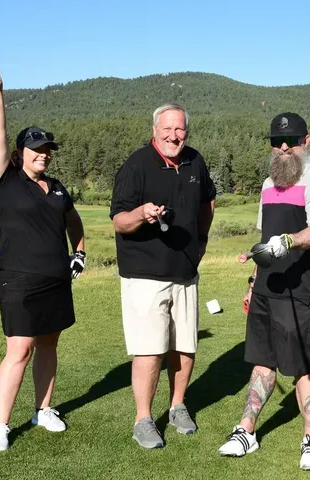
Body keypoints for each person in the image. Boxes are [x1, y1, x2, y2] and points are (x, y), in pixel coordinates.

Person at [218, 112, 310, 471]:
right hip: (267, 288)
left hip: (301, 288)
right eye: (276, 142)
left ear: (306, 141)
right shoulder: (269, 184)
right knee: (262, 362)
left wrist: (290, 241)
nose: (284, 148)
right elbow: (262, 241)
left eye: (292, 141)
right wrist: (253, 283)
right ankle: (246, 431)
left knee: (301, 368)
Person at [0, 58, 86, 451]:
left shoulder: (57, 186)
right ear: (21, 152)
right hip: (17, 278)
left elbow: (74, 222)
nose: (44, 154)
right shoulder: (5, 179)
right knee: (19, 348)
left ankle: (43, 409)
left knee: (48, 345)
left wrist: (79, 253)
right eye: (38, 148)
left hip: (55, 278)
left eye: (48, 149)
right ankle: (1, 425)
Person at [110, 102, 216, 449]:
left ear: (187, 131)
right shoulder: (137, 165)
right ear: (155, 130)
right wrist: (141, 213)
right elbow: (119, 221)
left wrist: (201, 242)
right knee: (150, 350)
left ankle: (177, 406)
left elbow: (208, 202)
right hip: (145, 273)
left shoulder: (194, 161)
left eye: (180, 129)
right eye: (167, 129)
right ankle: (143, 419)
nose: (174, 135)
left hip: (185, 270)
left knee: (185, 346)